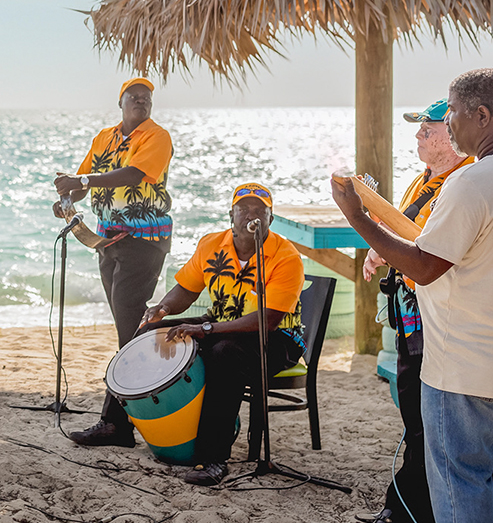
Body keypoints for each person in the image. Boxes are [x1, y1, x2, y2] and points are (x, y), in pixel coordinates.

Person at [333, 70, 493, 523]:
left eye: (453, 113)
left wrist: (358, 217)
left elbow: (425, 266)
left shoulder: (470, 183)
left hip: (461, 368)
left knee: (461, 483)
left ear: (481, 116)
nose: (449, 123)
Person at [75, 183, 305, 487]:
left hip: (277, 338)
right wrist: (163, 308)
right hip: (225, 322)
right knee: (149, 331)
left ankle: (212, 458)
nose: (251, 215)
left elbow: (269, 318)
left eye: (259, 210)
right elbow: (186, 288)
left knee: (224, 353)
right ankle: (115, 425)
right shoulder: (212, 245)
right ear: (231, 215)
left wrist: (205, 329)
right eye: (244, 209)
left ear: (270, 219)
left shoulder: (285, 256)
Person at [358, 100, 472, 523]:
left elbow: (430, 248)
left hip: (439, 316)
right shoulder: (423, 180)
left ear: (455, 133)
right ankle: (407, 503)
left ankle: (406, 507)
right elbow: (404, 233)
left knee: (429, 414)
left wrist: (363, 218)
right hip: (409, 311)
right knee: (414, 407)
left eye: (429, 128)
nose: (419, 135)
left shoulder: (462, 183)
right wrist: (379, 249)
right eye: (418, 128)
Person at [53, 78, 173, 442]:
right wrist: (66, 198)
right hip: (108, 241)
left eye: (146, 98)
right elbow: (83, 180)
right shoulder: (104, 138)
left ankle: (117, 421)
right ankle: (129, 415)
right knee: (129, 328)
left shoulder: (156, 136)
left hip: (144, 240)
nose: (141, 101)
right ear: (119, 102)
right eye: (134, 97)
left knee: (130, 330)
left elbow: (134, 174)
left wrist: (83, 181)